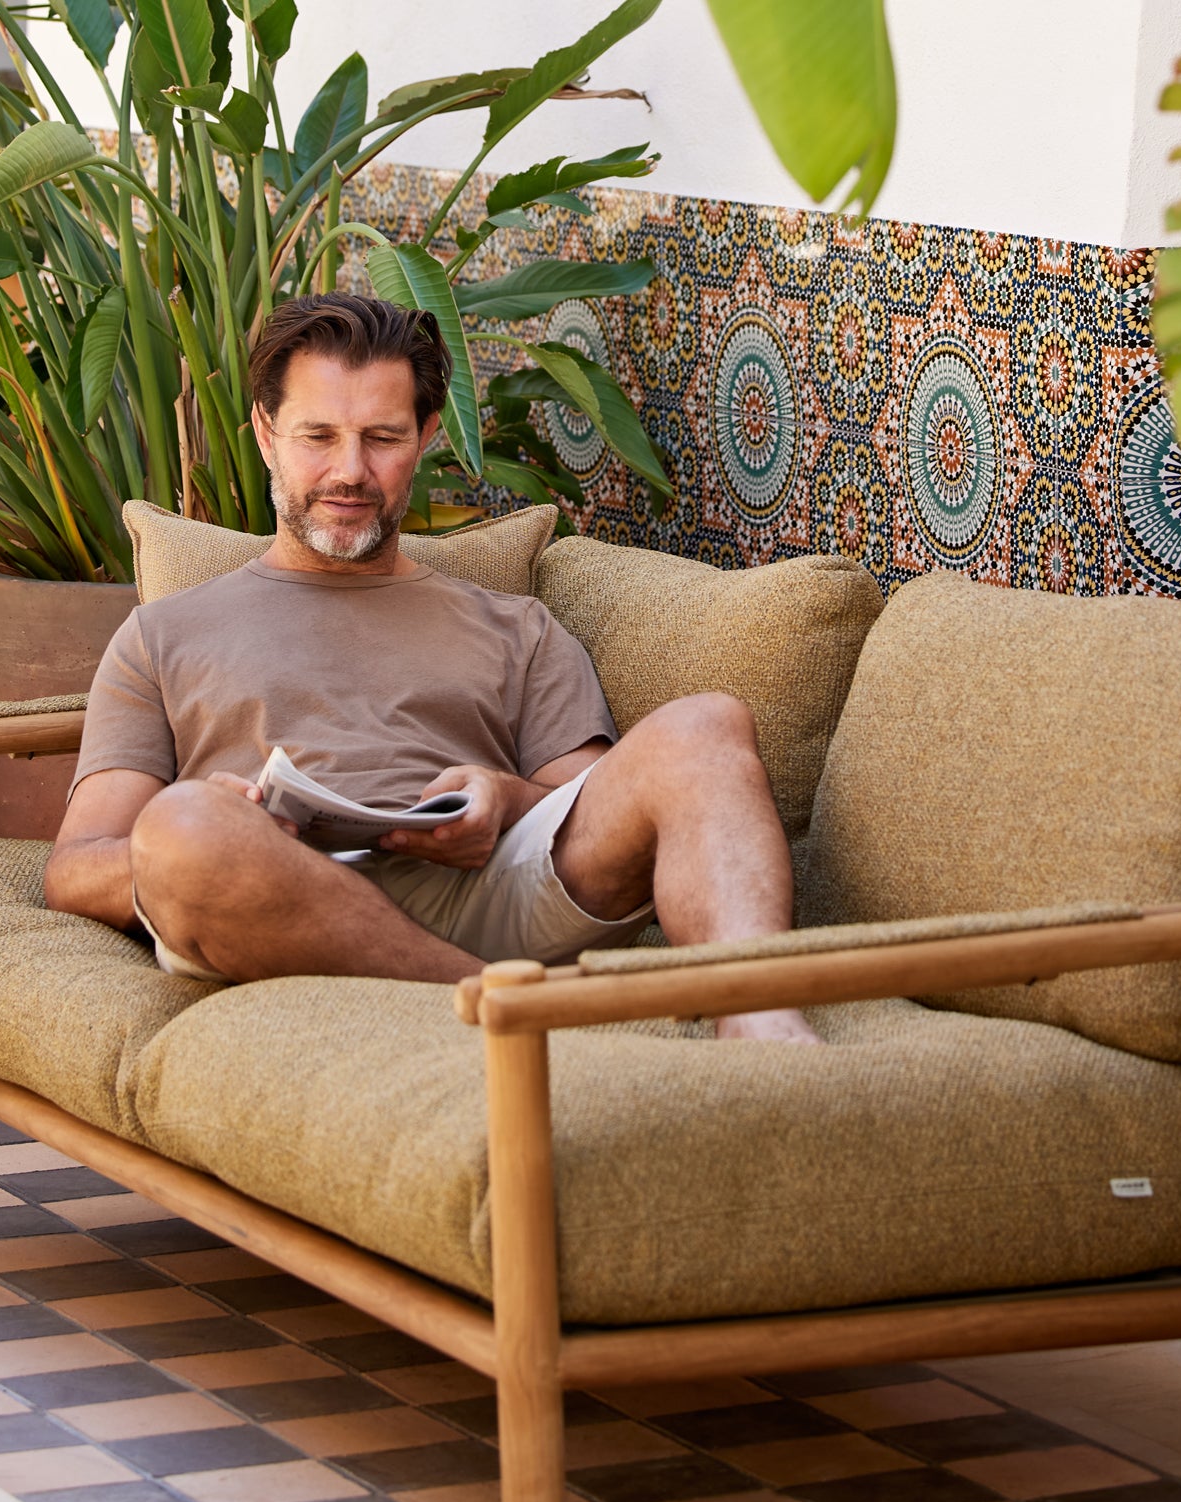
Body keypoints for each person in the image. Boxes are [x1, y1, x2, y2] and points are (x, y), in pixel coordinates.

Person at [44, 293, 818, 1042]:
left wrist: (501, 798)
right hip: (276, 900)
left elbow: (583, 807)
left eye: (381, 437)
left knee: (707, 726)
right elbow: (76, 870)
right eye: (318, 437)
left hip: (486, 889)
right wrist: (223, 824)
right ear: (266, 433)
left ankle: (764, 1037)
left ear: (426, 434)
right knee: (183, 825)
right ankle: (498, 1006)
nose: (350, 471)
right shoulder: (162, 635)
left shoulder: (517, 627)